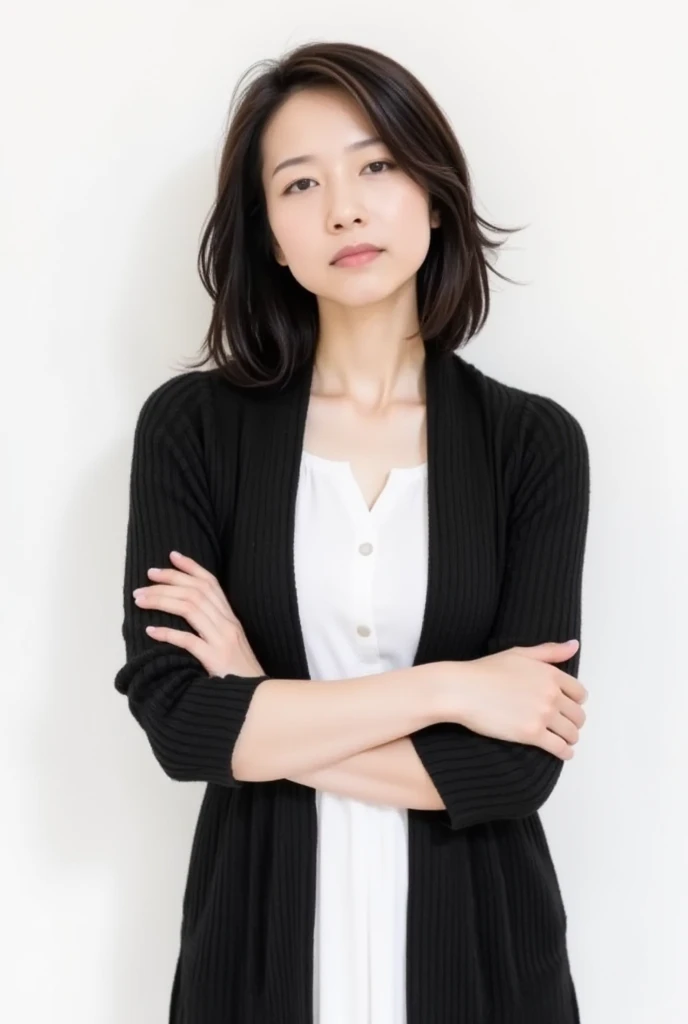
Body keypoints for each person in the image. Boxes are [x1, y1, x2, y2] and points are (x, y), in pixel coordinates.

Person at [114, 40, 591, 1024]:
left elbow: (513, 768)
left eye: (375, 164)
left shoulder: (531, 446)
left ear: (432, 192)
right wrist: (454, 687)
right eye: (300, 183)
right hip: (256, 960)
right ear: (272, 238)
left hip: (486, 967)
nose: (344, 206)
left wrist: (255, 701)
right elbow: (180, 724)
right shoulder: (192, 431)